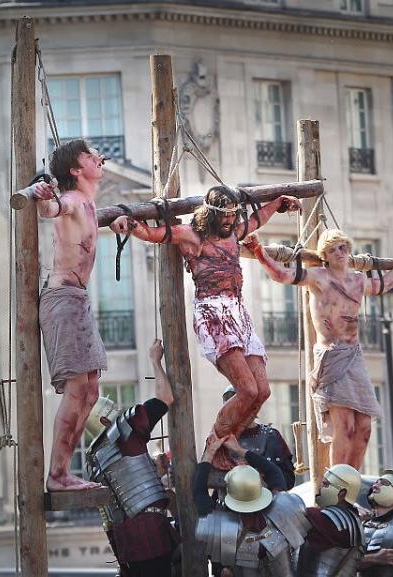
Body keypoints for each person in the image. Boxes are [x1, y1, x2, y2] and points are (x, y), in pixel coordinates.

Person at [110, 186, 301, 469]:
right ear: (211, 215)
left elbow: (257, 219)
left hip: (238, 313)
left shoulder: (235, 232)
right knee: (246, 390)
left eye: (233, 215)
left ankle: (228, 444)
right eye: (225, 216)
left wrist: (279, 202)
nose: (230, 221)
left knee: (262, 391)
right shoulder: (192, 236)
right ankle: (217, 443)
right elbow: (155, 234)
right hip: (212, 313)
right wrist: (128, 223)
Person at [246, 228, 393, 469]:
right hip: (331, 357)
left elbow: (388, 282)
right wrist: (258, 251)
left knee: (364, 429)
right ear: (325, 256)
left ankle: (350, 483)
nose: (339, 253)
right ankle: (334, 486)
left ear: (349, 250)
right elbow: (281, 275)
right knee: (346, 427)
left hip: (354, 356)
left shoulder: (359, 281)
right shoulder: (318, 277)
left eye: (342, 247)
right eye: (332, 250)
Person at [31, 139, 109, 491]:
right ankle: (58, 475)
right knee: (78, 390)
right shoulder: (74, 201)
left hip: (75, 299)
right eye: (91, 156)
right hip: (63, 298)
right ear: (76, 171)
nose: (99, 158)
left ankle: (62, 472)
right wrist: (44, 194)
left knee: (90, 391)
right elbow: (51, 209)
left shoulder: (90, 203)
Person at [84, 338, 177, 577]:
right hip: (152, 538)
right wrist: (155, 361)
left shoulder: (94, 459)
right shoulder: (124, 432)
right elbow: (166, 398)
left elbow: (115, 505)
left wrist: (155, 475)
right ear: (106, 421)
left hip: (126, 546)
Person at [193, 434, 309, 577]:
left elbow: (199, 492)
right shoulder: (281, 510)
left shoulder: (223, 528)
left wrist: (210, 453)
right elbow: (274, 473)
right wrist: (240, 450)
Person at [297, 464, 366, 577]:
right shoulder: (354, 519)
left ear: (342, 493)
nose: (320, 488)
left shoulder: (333, 519)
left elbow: (300, 513)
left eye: (326, 484)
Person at [222, 385, 296, 489]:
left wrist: (262, 479)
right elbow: (207, 478)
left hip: (267, 501)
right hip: (230, 502)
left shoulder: (271, 436)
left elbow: (287, 480)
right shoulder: (220, 438)